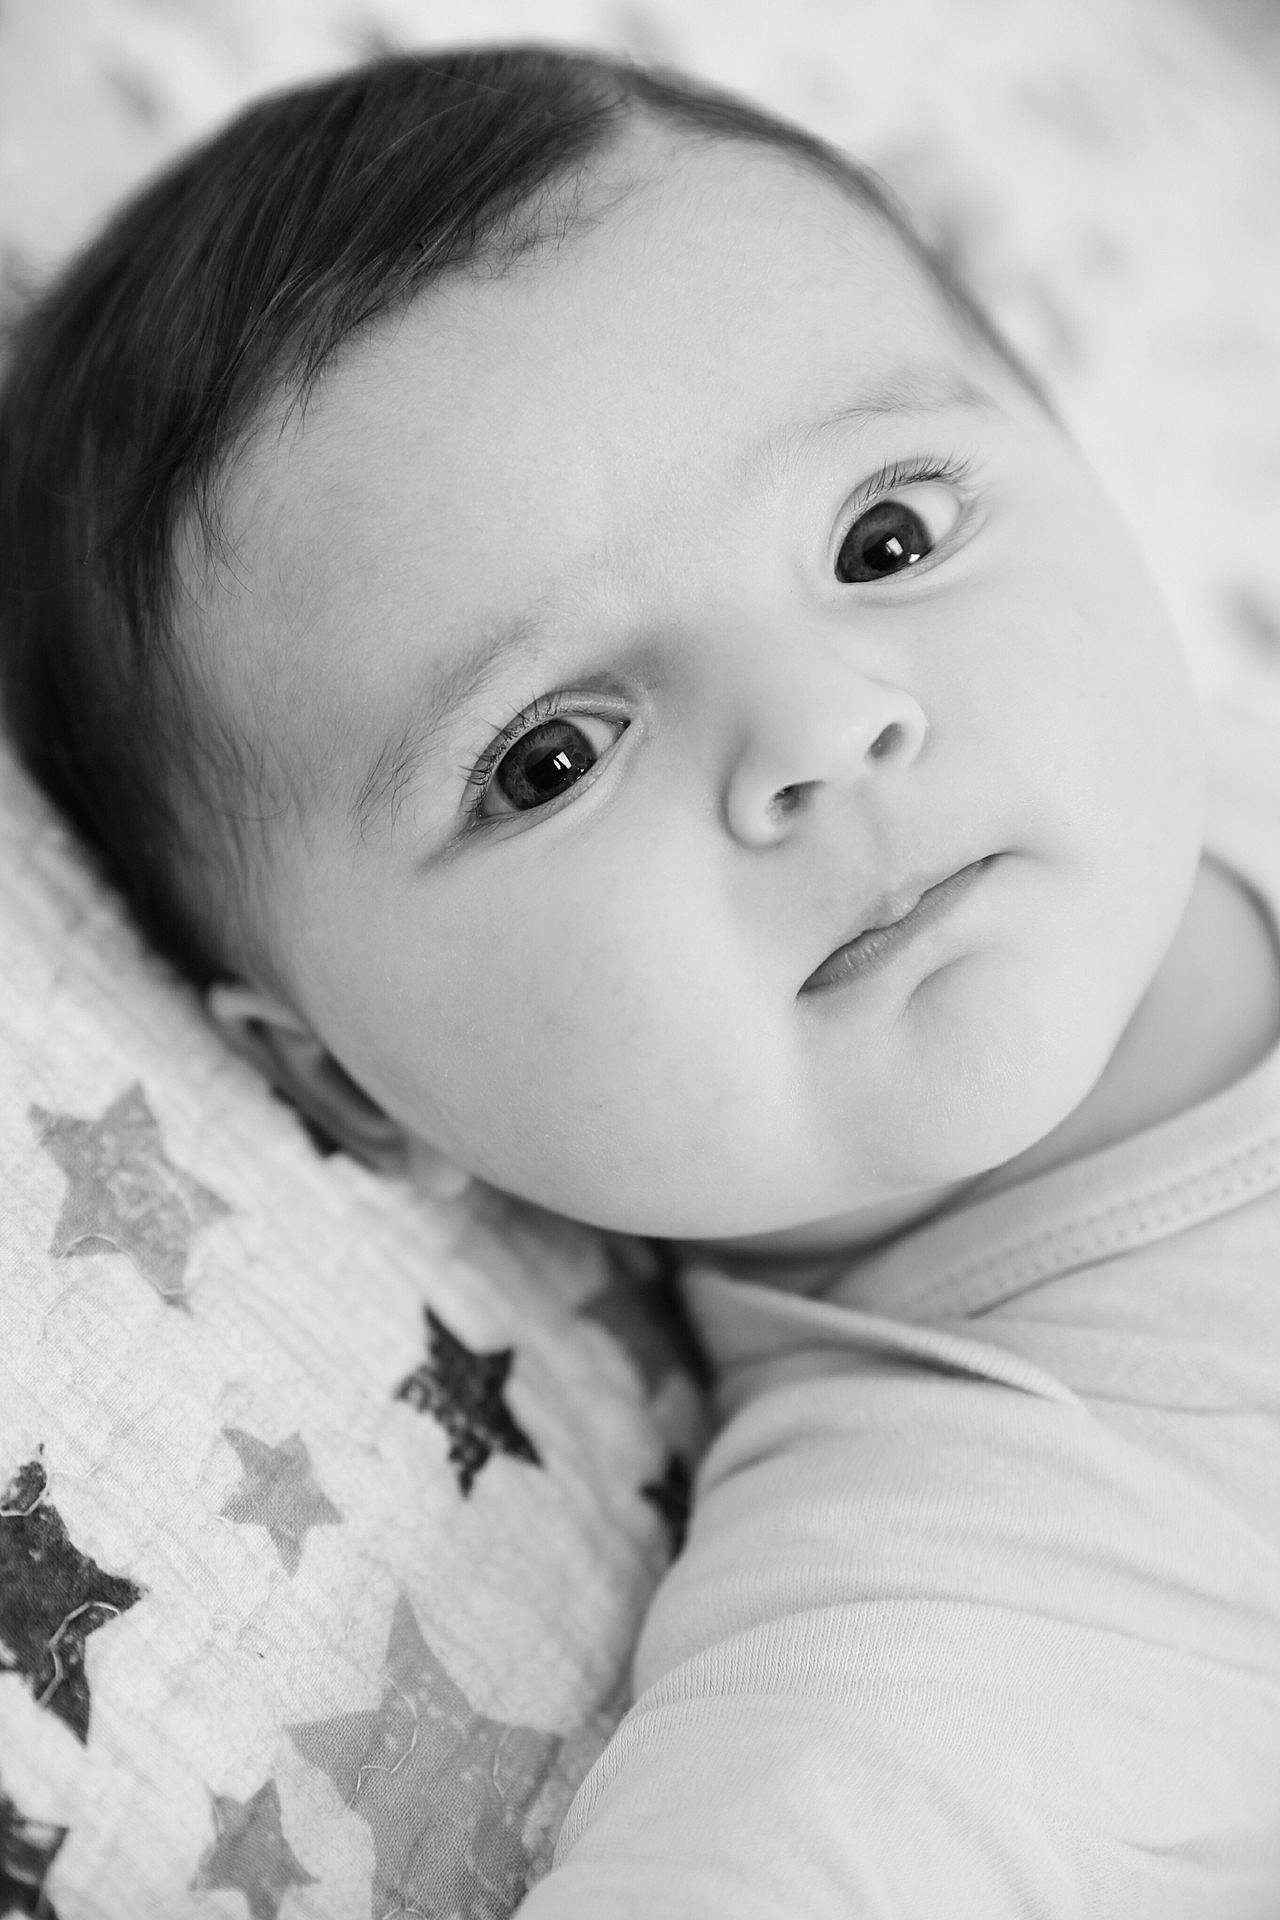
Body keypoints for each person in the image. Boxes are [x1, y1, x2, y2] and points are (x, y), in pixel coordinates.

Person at [1, 44, 1278, 1919]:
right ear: (347, 1085)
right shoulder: (944, 1627)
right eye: (549, 758)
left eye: (885, 539)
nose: (821, 726)